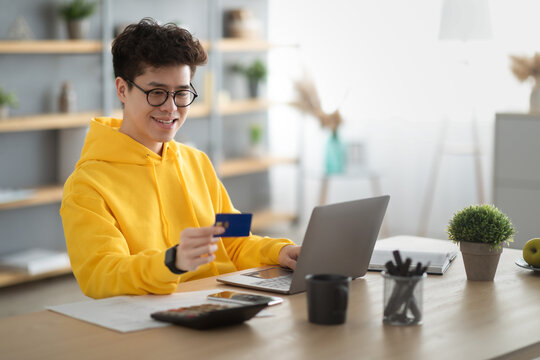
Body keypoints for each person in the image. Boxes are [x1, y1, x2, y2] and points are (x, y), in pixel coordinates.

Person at [60, 18, 301, 299]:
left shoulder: (197, 161)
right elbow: (101, 275)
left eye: (182, 93)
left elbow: (233, 242)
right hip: (150, 323)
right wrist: (171, 262)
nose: (171, 108)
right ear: (122, 89)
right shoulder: (86, 185)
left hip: (222, 306)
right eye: (157, 92)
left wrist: (282, 252)